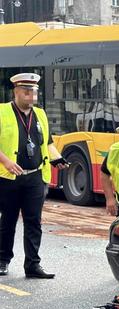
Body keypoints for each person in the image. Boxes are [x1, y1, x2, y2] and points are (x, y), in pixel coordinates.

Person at [0, 72, 69, 278]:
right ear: (16, 92)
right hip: (8, 177)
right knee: (8, 220)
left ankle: (32, 265)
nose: (32, 96)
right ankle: (3, 260)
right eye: (27, 92)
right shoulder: (2, 112)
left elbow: (46, 143)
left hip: (35, 177)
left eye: (34, 92)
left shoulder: (41, 114)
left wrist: (57, 158)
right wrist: (6, 161)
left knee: (34, 222)